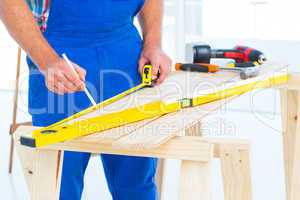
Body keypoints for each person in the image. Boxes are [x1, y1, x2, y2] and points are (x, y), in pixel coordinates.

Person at [0, 0, 172, 199]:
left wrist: (153, 43)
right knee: (59, 187)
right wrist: (47, 61)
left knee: (136, 184)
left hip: (126, 62)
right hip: (62, 64)